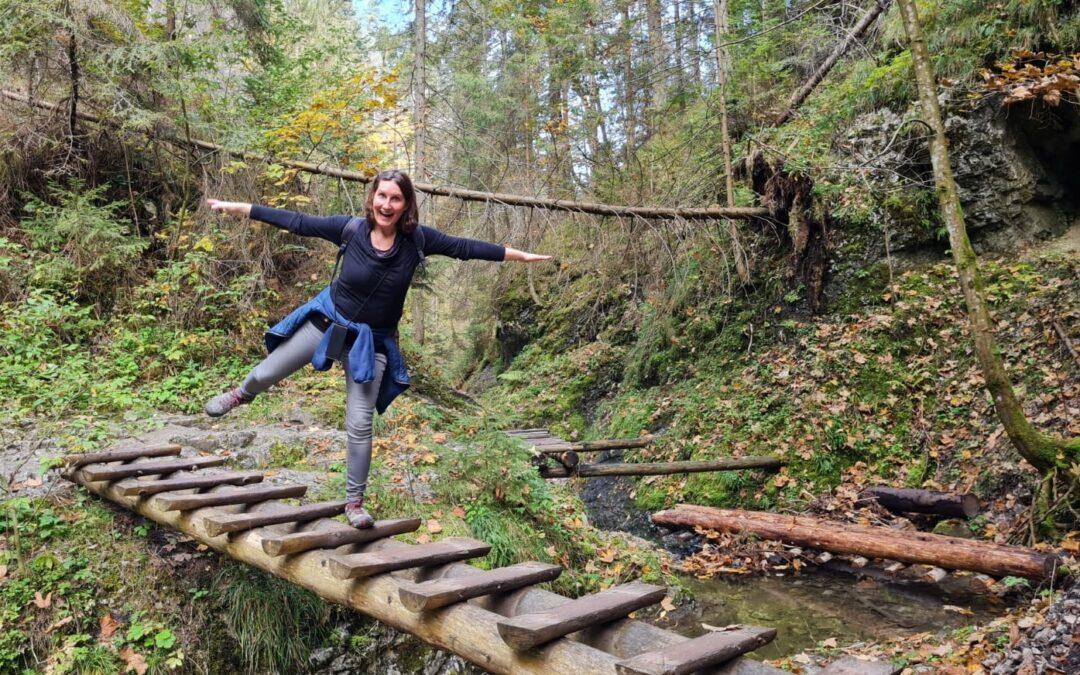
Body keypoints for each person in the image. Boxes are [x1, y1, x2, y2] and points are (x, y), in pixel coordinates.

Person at [202, 169, 551, 528]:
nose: (387, 204)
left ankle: (354, 503)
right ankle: (241, 394)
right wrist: (240, 208)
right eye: (382, 196)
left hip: (373, 341)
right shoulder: (349, 230)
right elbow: (297, 221)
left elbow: (466, 247)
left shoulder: (418, 241)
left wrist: (519, 257)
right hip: (328, 322)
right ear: (372, 198)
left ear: (405, 205)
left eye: (395, 198)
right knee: (265, 373)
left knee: (360, 422)